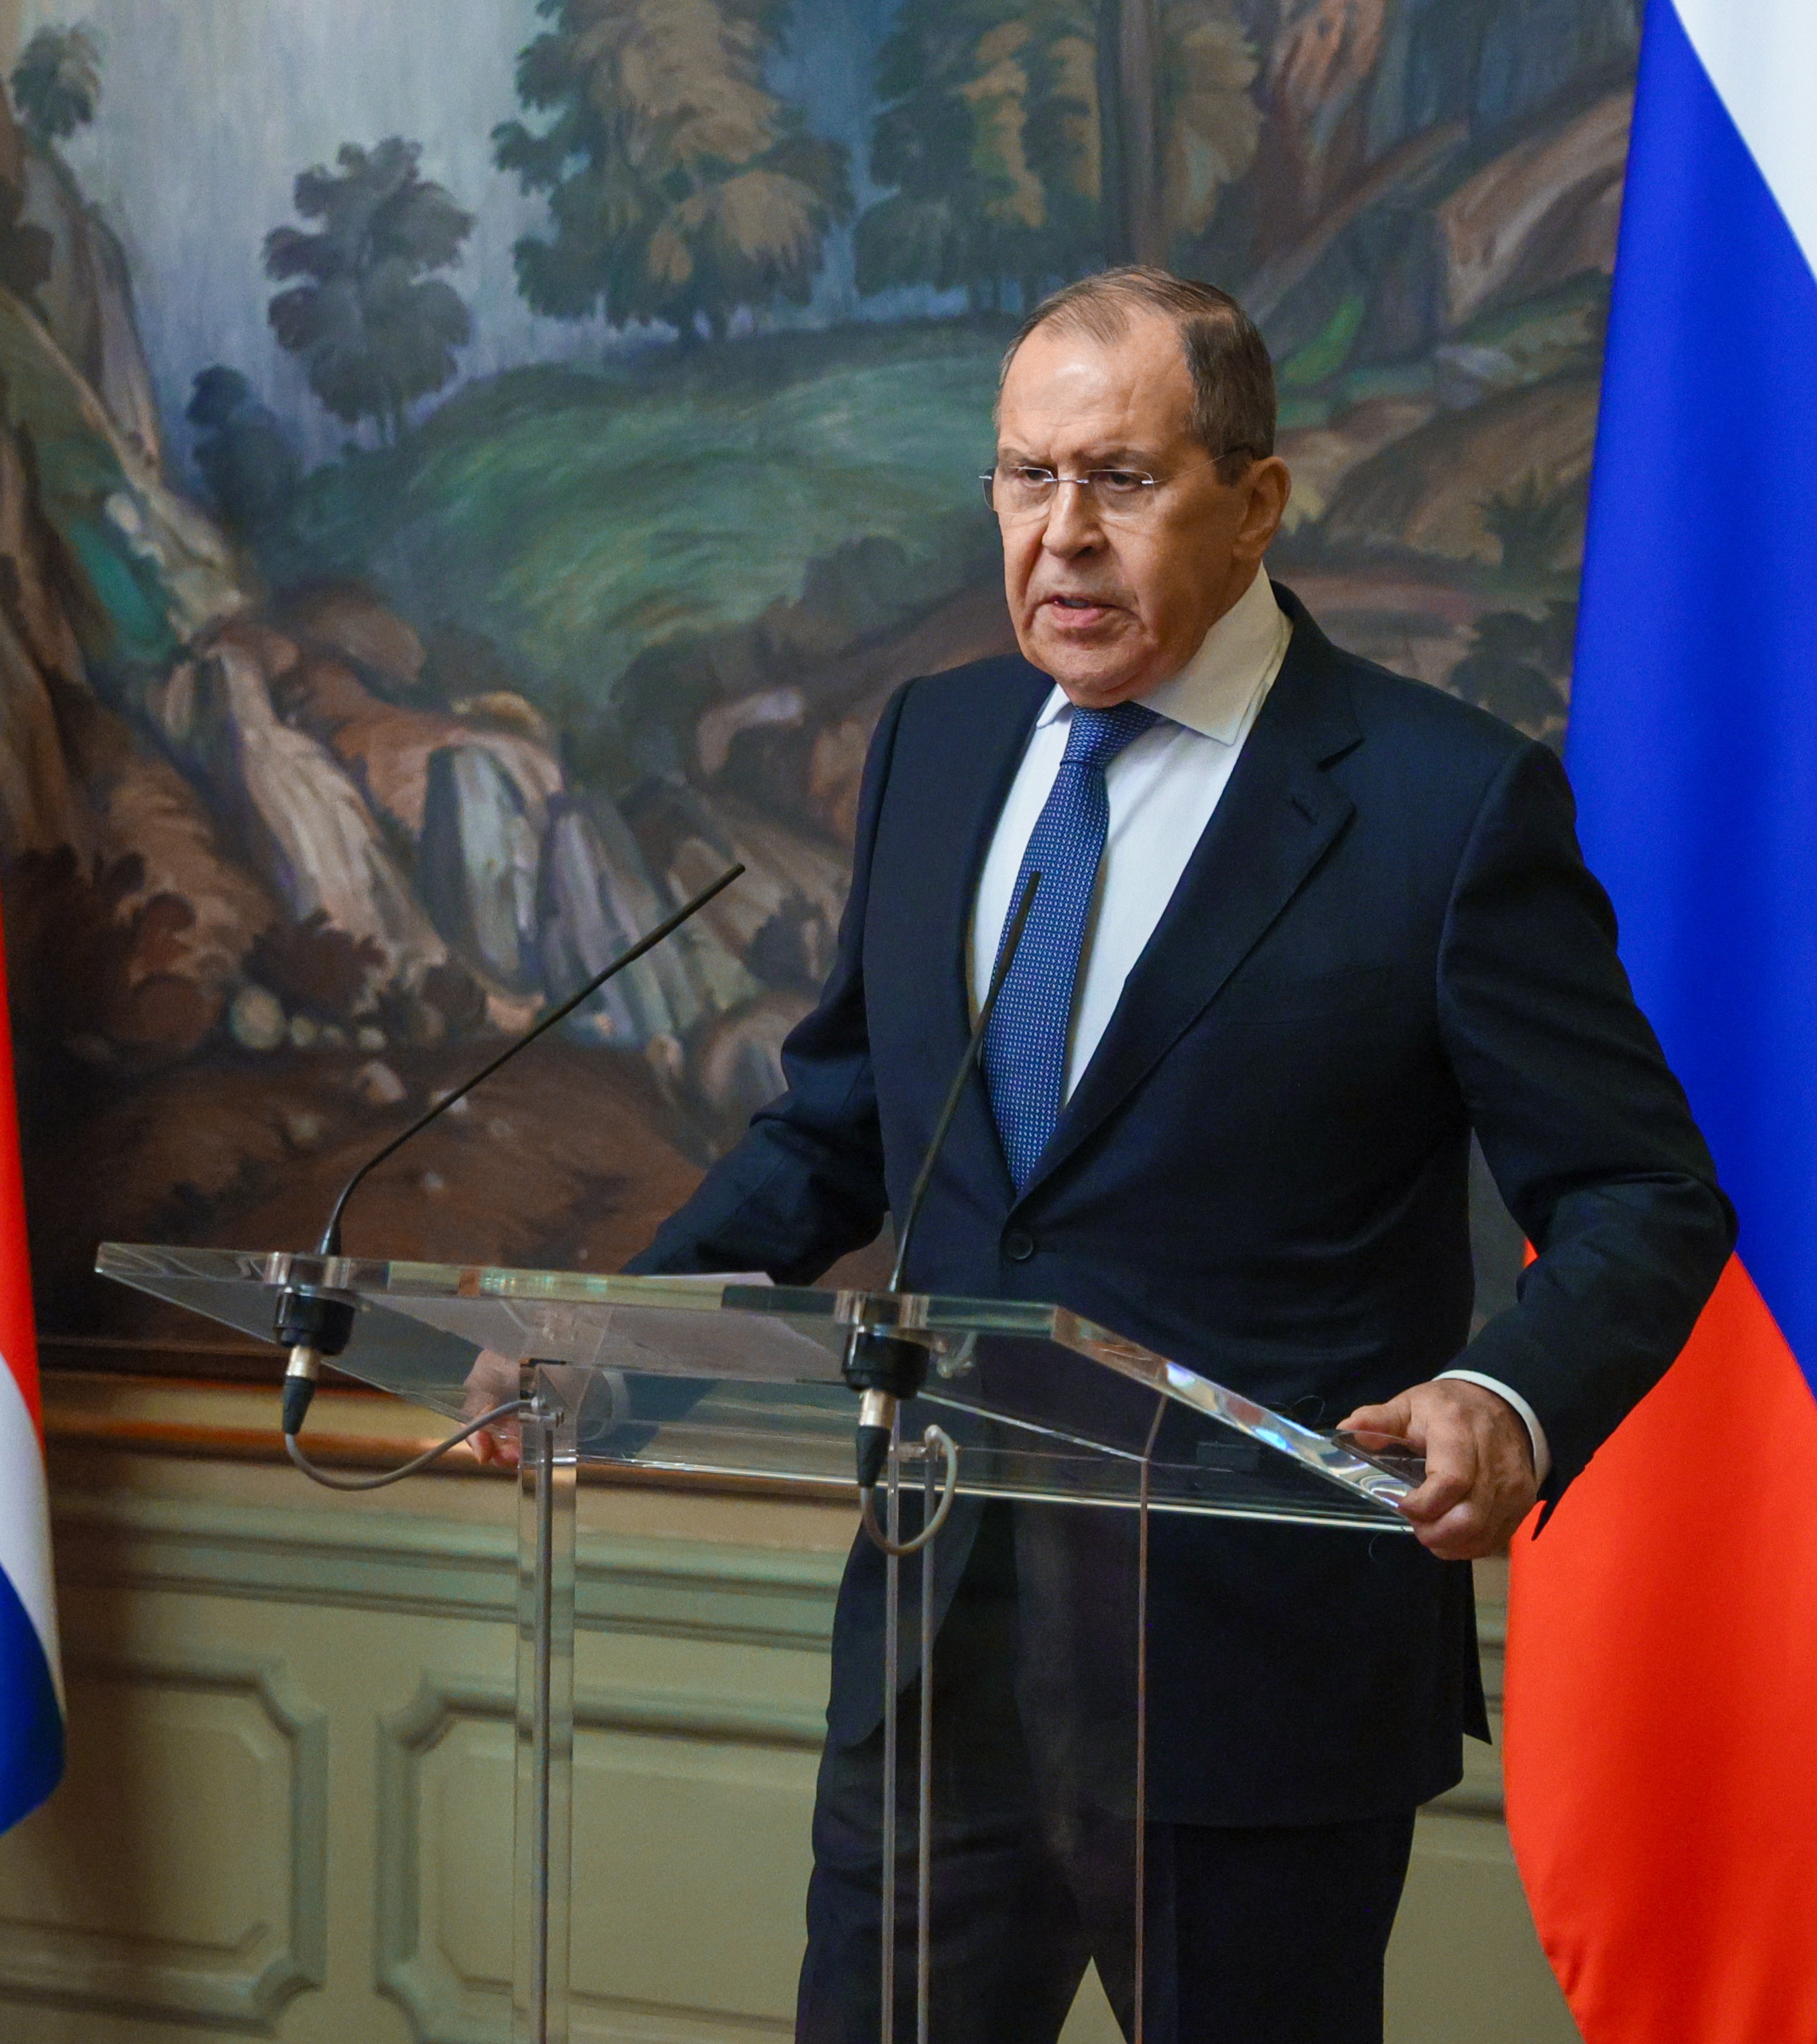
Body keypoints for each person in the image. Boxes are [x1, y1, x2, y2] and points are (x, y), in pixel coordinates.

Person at [628, 271, 1730, 2043]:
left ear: (1255, 502)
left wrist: (1501, 1398)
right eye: (1020, 477)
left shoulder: (1441, 805)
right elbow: (849, 1116)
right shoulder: (936, 743)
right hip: (941, 1661)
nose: (1057, 537)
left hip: (1253, 1680)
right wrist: (623, 1339)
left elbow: (1640, 1192)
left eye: (1120, 480)